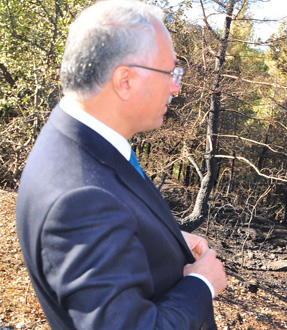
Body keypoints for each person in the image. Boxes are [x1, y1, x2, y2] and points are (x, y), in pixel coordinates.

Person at [15, 0, 227, 329]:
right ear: (124, 80)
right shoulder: (81, 201)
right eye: (170, 73)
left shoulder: (78, 138)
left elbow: (119, 219)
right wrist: (201, 286)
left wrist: (164, 242)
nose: (177, 87)